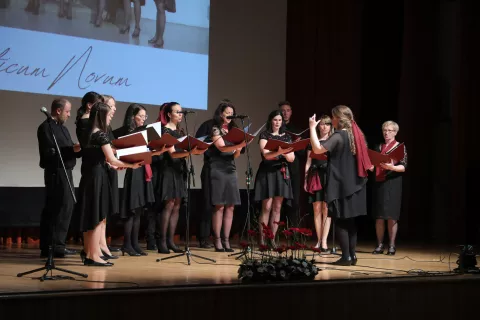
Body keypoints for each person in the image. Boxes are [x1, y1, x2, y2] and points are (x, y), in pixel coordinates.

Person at [76, 102, 143, 266]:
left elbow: (99, 158)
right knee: (97, 216)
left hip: (89, 176)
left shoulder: (87, 132)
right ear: (102, 116)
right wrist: (130, 165)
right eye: (109, 115)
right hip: (98, 177)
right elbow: (111, 158)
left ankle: (92, 253)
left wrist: (113, 164)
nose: (110, 117)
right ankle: (93, 255)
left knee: (93, 215)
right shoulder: (101, 134)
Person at [308, 105, 372, 266]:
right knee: (350, 222)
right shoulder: (357, 135)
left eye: (333, 117)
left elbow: (317, 149)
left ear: (338, 119)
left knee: (341, 221)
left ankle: (346, 257)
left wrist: (311, 128)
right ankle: (352, 256)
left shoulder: (339, 136)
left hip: (341, 186)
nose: (332, 120)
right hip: (356, 185)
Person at [113, 104, 165, 256]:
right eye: (140, 116)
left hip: (144, 169)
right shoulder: (124, 132)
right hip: (133, 171)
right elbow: (117, 150)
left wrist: (159, 150)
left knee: (139, 210)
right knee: (132, 209)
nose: (143, 119)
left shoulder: (146, 131)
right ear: (132, 116)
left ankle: (135, 244)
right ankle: (127, 244)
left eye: (145, 117)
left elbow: (149, 152)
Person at [156, 102, 206, 253]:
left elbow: (183, 151)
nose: (180, 114)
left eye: (181, 112)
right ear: (169, 114)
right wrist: (190, 152)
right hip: (169, 169)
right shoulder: (165, 131)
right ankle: (162, 241)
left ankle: (171, 240)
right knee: (169, 204)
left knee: (177, 205)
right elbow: (172, 154)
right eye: (177, 112)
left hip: (179, 169)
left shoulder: (180, 130)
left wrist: (198, 149)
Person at [37, 98, 81, 258]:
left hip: (66, 172)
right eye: (67, 111)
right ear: (58, 111)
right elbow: (51, 152)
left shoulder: (64, 129)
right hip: (55, 172)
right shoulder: (45, 128)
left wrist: (77, 149)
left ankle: (59, 244)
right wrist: (71, 149)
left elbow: (68, 149)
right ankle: (49, 245)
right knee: (55, 208)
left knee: (67, 207)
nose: (69, 115)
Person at [254, 110, 295, 244]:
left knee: (277, 207)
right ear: (271, 120)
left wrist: (279, 152)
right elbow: (266, 154)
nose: (277, 122)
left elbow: (291, 158)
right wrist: (282, 151)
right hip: (268, 172)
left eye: (279, 120)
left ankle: (272, 238)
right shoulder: (265, 135)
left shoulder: (287, 137)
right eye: (275, 120)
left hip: (281, 172)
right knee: (267, 207)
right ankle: (262, 239)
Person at [209, 102, 245, 252]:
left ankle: (226, 240)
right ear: (221, 114)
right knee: (220, 205)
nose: (230, 115)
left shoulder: (234, 130)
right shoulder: (215, 129)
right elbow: (222, 148)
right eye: (227, 112)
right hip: (217, 167)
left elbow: (235, 155)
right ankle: (217, 240)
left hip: (231, 168)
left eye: (232, 113)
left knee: (230, 205)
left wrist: (240, 147)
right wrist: (238, 145)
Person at [372, 121, 407, 256]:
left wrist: (392, 167)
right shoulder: (378, 146)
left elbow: (404, 166)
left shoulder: (400, 147)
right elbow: (373, 163)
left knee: (392, 216)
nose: (386, 132)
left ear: (395, 132)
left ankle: (391, 245)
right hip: (380, 182)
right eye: (384, 130)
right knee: (379, 216)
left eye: (390, 130)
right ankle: (379, 245)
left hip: (393, 183)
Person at [304, 115, 333, 251]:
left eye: (327, 124)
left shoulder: (333, 140)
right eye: (321, 124)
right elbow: (308, 162)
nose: (324, 126)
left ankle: (325, 241)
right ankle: (318, 240)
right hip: (315, 175)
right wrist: (305, 179)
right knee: (316, 209)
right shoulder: (313, 141)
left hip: (328, 175)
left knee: (326, 209)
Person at [279, 101, 303, 227]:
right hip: (278, 168)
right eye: (283, 110)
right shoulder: (275, 129)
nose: (285, 113)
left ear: (291, 112)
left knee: (294, 201)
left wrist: (297, 145)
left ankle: (293, 233)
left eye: (288, 110)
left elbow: (304, 153)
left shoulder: (297, 130)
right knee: (278, 202)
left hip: (293, 170)